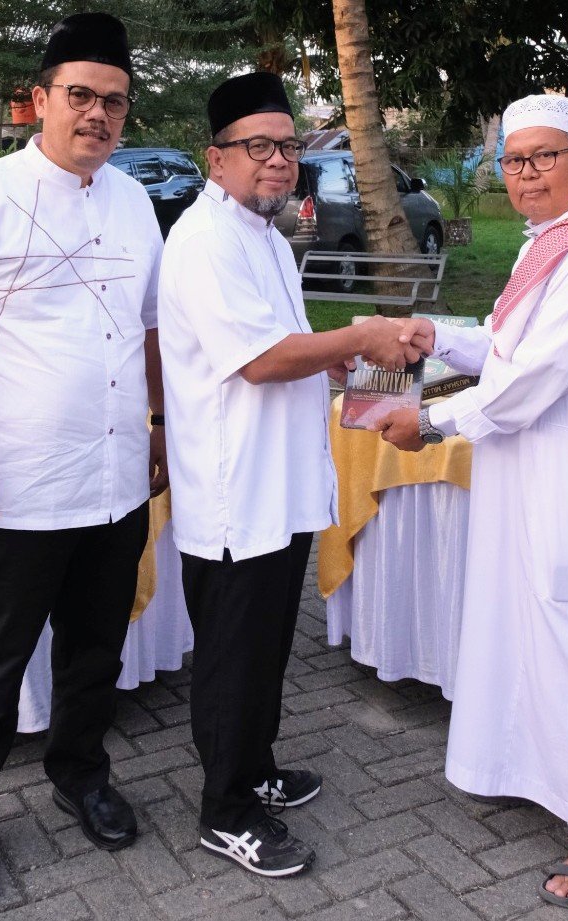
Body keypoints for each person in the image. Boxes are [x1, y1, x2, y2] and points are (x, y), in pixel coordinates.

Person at [376, 93, 568, 910]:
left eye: (545, 156)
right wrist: (438, 336)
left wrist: (431, 421)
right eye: (514, 159)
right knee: (535, 636)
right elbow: (510, 345)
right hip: (531, 482)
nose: (527, 173)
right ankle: (547, 778)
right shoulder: (552, 243)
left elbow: (533, 380)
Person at [0, 13, 166, 906]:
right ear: (40, 100)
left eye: (114, 101)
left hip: (115, 479)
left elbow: (148, 327)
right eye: (80, 95)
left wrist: (159, 423)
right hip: (15, 483)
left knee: (95, 651)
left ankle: (81, 775)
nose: (97, 114)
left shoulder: (133, 202)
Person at [158, 72, 428, 878]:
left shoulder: (269, 238)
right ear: (216, 158)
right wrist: (362, 335)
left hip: (283, 482)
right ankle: (226, 809)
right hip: (235, 488)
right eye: (259, 147)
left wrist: (343, 367)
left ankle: (256, 768)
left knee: (267, 645)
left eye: (287, 146)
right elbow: (260, 360)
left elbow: (289, 345)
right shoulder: (203, 241)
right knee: (233, 656)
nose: (278, 161)